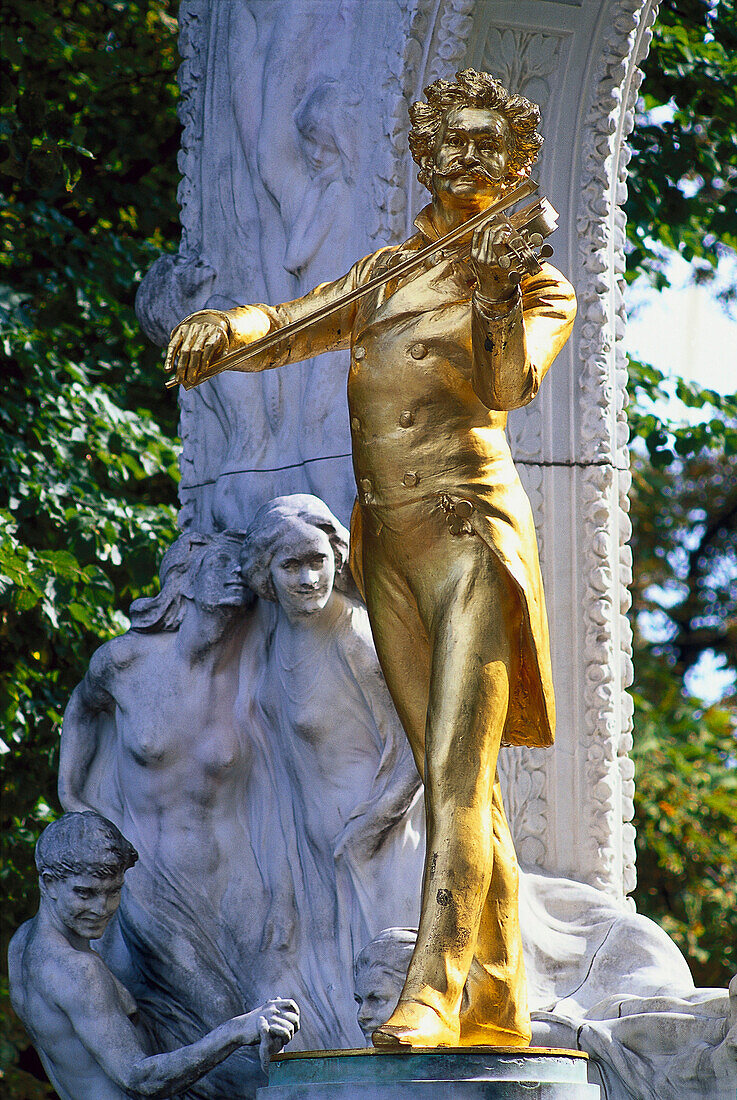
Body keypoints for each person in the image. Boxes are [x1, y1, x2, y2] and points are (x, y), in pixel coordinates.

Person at [165, 68, 576, 1049]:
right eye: (449, 140)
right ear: (421, 151)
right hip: (385, 541)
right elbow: (295, 322)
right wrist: (229, 330)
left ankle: (432, 987)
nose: (464, 157)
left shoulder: (535, 280)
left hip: (469, 532)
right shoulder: (387, 271)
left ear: (512, 158)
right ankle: (497, 991)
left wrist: (491, 284)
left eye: (486, 142)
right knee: (454, 780)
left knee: (453, 767)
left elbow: (508, 381)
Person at [57, 532, 282, 1096]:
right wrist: (72, 795)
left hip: (239, 881)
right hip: (153, 881)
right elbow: (83, 708)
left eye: (241, 565)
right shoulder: (125, 663)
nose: (235, 574)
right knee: (219, 1024)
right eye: (220, 564)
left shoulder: (253, 667)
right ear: (185, 578)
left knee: (263, 1013)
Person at [241, 494, 423, 1046]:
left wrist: (367, 830)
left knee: (388, 998)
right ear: (266, 576)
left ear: (337, 558)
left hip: (380, 847)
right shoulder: (277, 641)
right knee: (341, 1010)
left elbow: (422, 748)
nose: (306, 578)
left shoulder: (358, 638)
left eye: (317, 561)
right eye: (290, 566)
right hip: (317, 850)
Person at [8, 812, 299, 1100]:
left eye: (113, 892)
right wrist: (235, 1031)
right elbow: (139, 1079)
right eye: (85, 893)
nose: (102, 908)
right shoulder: (78, 970)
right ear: (48, 883)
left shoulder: (22, 944)